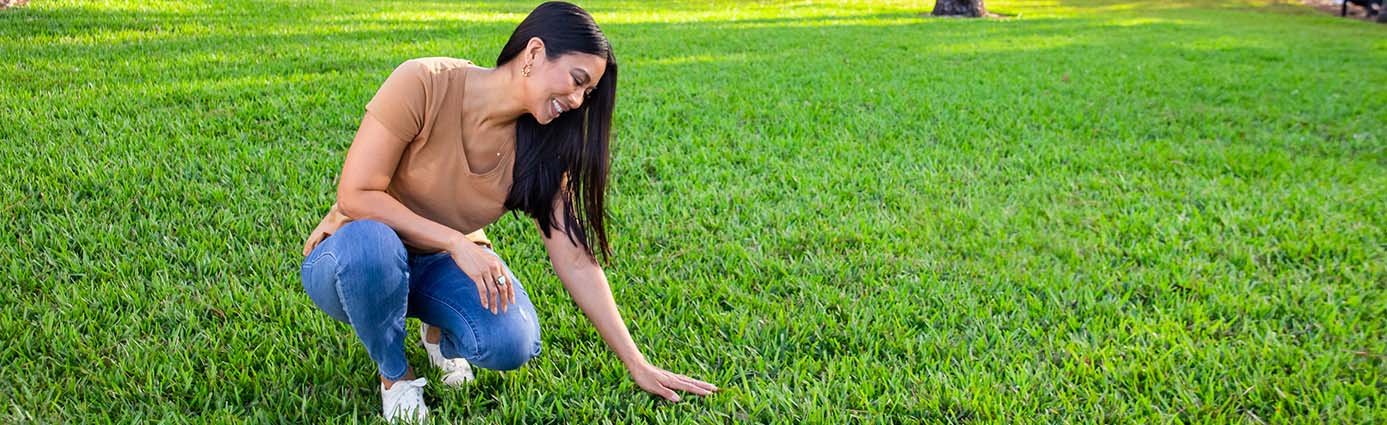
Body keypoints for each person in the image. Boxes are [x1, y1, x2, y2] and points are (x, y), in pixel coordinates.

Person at [298, 2, 718, 422]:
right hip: (353, 255)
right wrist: (454, 241)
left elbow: (574, 257)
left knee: (512, 340)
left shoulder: (545, 149)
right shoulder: (424, 81)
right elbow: (356, 193)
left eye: (586, 94)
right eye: (576, 81)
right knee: (374, 244)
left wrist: (636, 362)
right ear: (534, 53)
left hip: (439, 266)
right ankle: (396, 375)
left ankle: (437, 330)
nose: (575, 101)